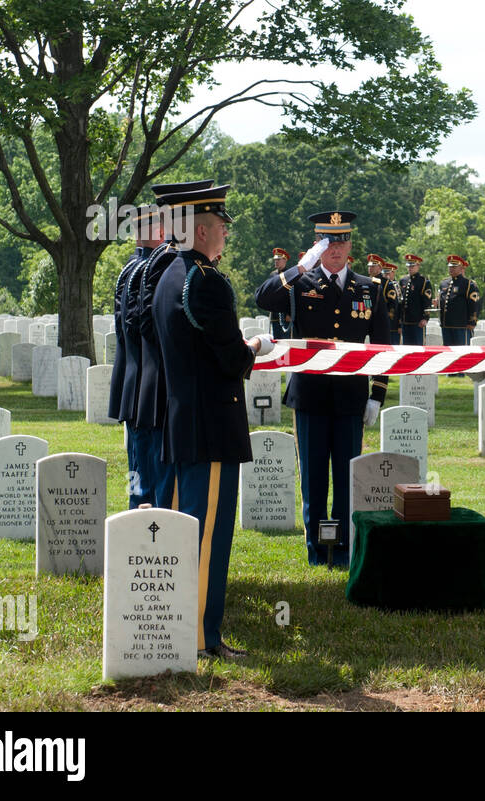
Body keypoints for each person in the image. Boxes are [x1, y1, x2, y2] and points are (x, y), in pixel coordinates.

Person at [150, 182, 271, 660]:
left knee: (181, 530)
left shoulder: (166, 275)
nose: (225, 235)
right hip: (211, 427)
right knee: (206, 536)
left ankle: (177, 626)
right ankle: (200, 637)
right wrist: (256, 349)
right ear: (200, 230)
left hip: (182, 423)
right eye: (222, 226)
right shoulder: (204, 279)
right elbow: (229, 359)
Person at [255, 211, 390, 567]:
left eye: (342, 240)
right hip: (311, 395)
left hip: (350, 396)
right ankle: (317, 551)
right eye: (327, 242)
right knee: (314, 477)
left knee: (347, 477)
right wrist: (299, 268)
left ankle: (343, 550)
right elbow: (263, 299)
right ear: (318, 245)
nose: (335, 248)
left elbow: (382, 347)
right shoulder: (300, 283)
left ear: (351, 245)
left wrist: (376, 396)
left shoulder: (369, 288)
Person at [135, 179, 215, 508]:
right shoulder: (170, 261)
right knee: (170, 494)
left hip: (163, 385)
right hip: (170, 386)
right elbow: (148, 323)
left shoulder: (160, 259)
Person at [113, 204, 162, 508]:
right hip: (147, 388)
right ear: (158, 231)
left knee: (138, 470)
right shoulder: (149, 271)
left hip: (134, 384)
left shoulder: (130, 269)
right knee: (146, 475)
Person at [438, 254, 481, 345]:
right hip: (446, 325)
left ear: (461, 268)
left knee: (463, 353)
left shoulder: (468, 284)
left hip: (461, 326)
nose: (451, 269)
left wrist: (472, 321)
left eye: (454, 267)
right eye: (450, 267)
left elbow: (475, 304)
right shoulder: (444, 283)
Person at [399, 254, 432, 345]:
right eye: (408, 266)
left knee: (418, 348)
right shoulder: (403, 280)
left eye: (412, 266)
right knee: (406, 348)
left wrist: (425, 318)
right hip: (405, 321)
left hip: (418, 321)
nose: (410, 268)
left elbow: (427, 301)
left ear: (418, 266)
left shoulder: (424, 281)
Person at [268, 248, 294, 338]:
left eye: (278, 260)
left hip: (285, 315)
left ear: (285, 260)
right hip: (275, 314)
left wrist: (289, 313)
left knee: (286, 341)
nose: (276, 262)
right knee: (276, 340)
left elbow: (291, 296)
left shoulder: (289, 274)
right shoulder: (272, 275)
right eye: (275, 260)